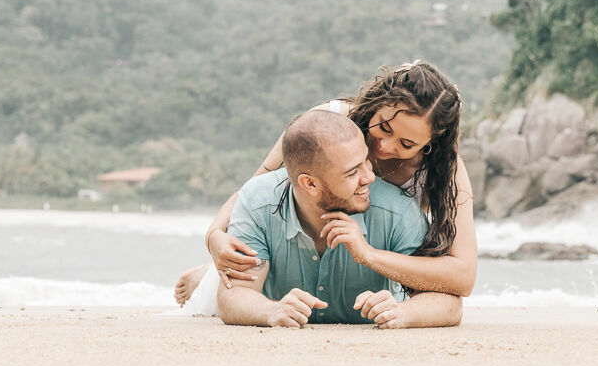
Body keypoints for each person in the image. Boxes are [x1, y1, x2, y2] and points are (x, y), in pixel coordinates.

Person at [175, 61, 476, 323]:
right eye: (384, 128)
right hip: (291, 245)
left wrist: (369, 255)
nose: (385, 147)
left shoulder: (445, 171)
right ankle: (207, 274)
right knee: (236, 273)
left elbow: (462, 277)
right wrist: (214, 234)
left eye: (407, 145)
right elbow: (256, 190)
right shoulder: (332, 120)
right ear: (380, 103)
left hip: (380, 250)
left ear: (431, 142)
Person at [217, 108, 460, 328]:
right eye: (352, 172)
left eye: (366, 162)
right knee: (214, 279)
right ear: (309, 183)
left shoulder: (398, 210)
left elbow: (449, 301)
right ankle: (204, 275)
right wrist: (270, 311)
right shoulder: (257, 201)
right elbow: (234, 294)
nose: (369, 177)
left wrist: (404, 312)